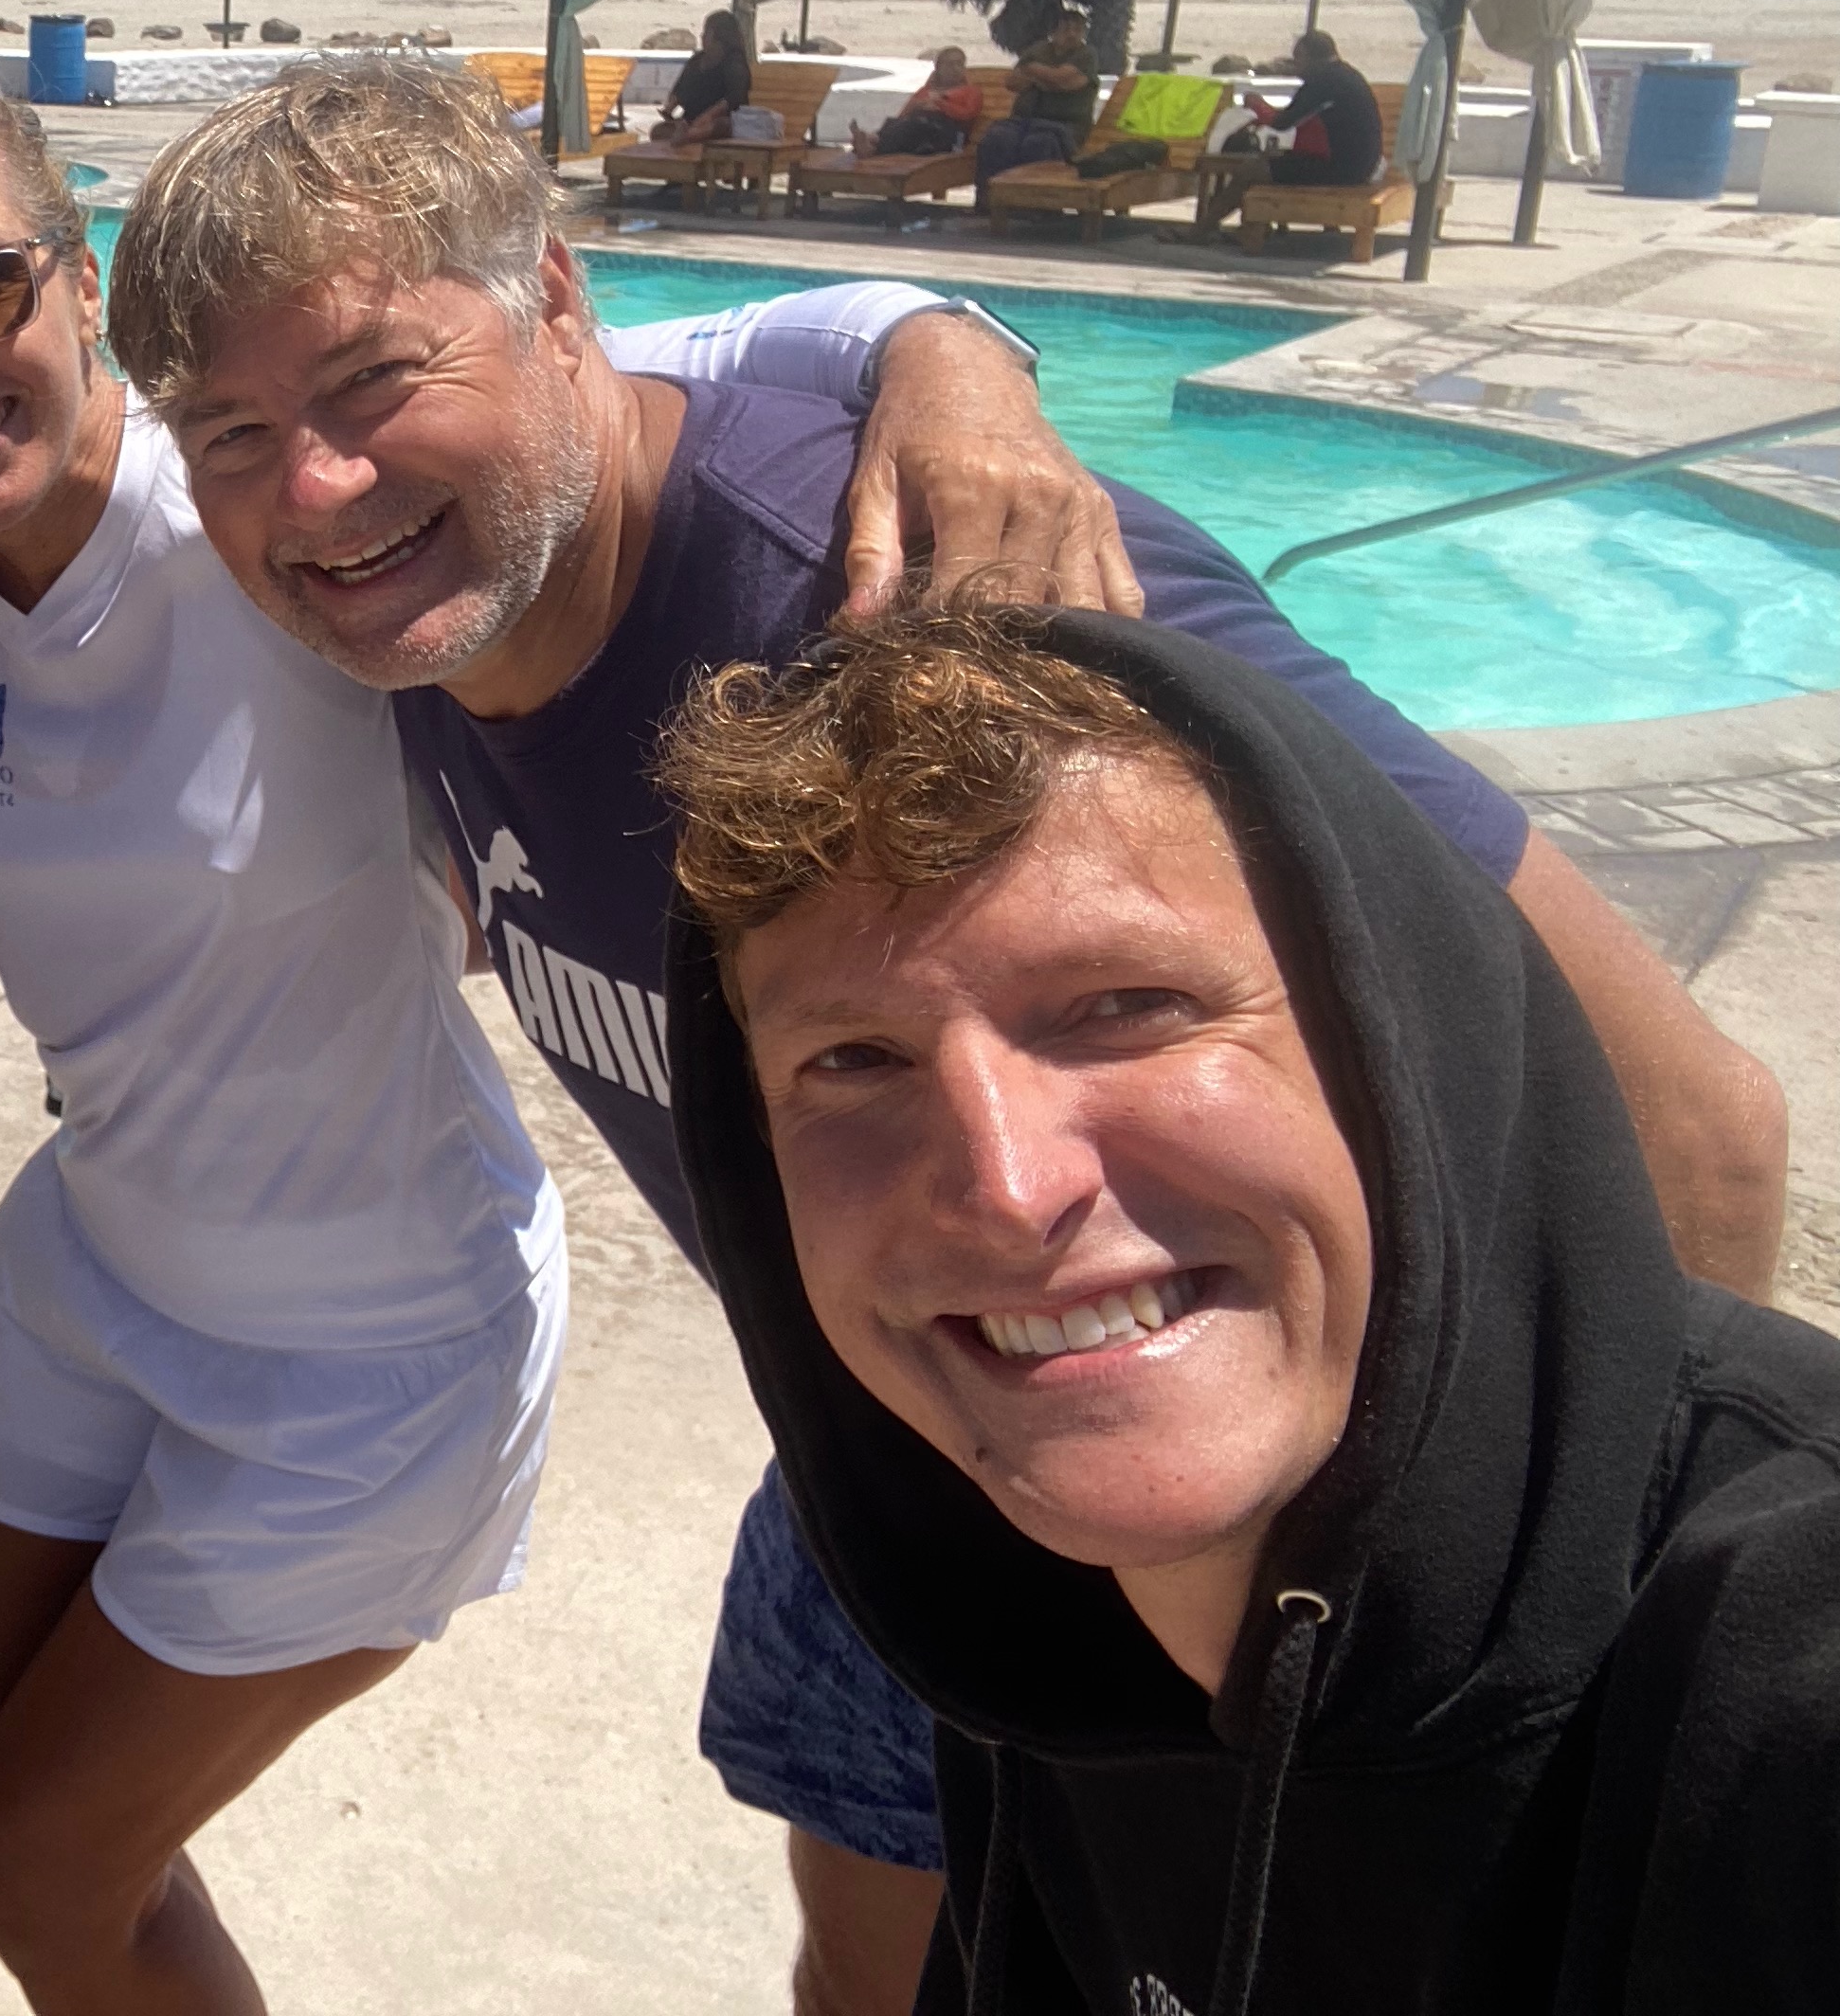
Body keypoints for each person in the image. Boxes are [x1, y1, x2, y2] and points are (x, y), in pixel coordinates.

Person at [96, 59, 1794, 2016]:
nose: (317, 485)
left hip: (1284, 1528)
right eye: (235, 432)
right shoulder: (424, 624)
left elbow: (1695, 1121)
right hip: (906, 1442)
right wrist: (930, 325)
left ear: (557, 302)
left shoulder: (931, 581)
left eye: (377, 381)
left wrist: (1576, 1662)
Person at [0, 23, 1159, 2014]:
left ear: (76, 264)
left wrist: (943, 343)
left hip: (363, 1349)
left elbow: (604, 352)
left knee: (40, 1869)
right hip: (95, 1261)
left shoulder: (280, 515)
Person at [652, 603, 1840, 2010]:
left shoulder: (1783, 1679)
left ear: (1394, 1042)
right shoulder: (1022, 1607)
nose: (1009, 1189)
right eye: (856, 1060)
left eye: (1126, 1005)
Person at [1191, 27, 1384, 232]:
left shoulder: (1322, 80)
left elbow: (1282, 123)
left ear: (1307, 56)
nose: (1296, 67)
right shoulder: (1348, 75)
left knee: (1252, 170)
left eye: (1298, 59)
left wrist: (1257, 105)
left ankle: (1203, 230)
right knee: (1272, 164)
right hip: (1363, 165)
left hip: (1343, 171)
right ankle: (1251, 230)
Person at [973, 9, 1094, 181]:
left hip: (1065, 125)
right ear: (1054, 32)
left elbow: (1064, 80)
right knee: (997, 139)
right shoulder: (1038, 50)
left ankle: (1035, 195)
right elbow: (1013, 82)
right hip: (1023, 120)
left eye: (1078, 30)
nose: (1072, 35)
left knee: (1038, 144)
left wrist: (1034, 72)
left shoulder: (1086, 55)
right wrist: (1049, 79)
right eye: (1066, 29)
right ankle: (991, 192)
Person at [650, 7, 753, 145]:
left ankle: (689, 136)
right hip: (690, 120)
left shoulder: (735, 63)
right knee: (658, 131)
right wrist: (670, 108)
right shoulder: (697, 60)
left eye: (707, 33)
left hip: (717, 122)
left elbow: (734, 98)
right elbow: (681, 90)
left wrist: (707, 117)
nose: (702, 36)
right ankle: (688, 134)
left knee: (725, 125)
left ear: (720, 37)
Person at [861, 46, 983, 159]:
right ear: (938, 68)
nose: (955, 69)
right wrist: (918, 106)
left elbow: (968, 114)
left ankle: (874, 147)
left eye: (959, 64)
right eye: (950, 64)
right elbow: (903, 114)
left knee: (916, 124)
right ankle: (874, 140)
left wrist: (940, 104)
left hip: (949, 135)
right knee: (896, 122)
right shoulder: (926, 90)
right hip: (919, 131)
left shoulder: (971, 91)